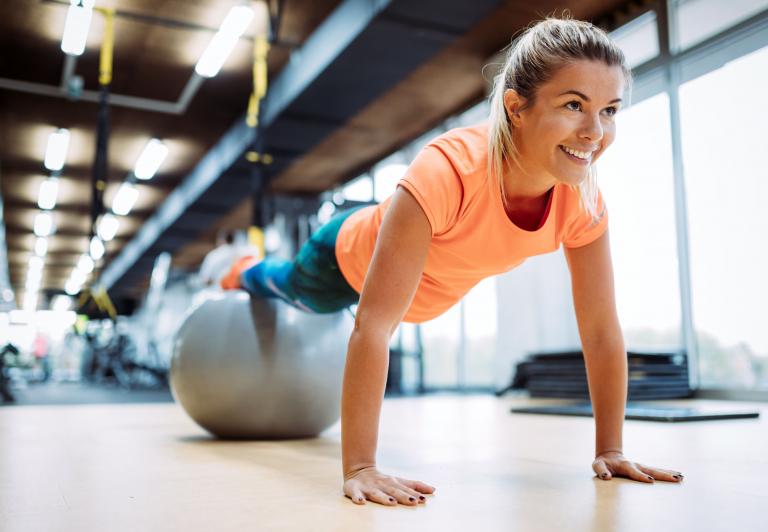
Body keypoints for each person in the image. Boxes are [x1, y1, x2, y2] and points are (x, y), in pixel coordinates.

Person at [221, 16, 684, 507]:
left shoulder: (582, 203)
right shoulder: (449, 171)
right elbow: (374, 326)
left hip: (416, 282)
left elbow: (600, 329)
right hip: (342, 261)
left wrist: (610, 448)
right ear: (516, 108)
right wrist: (361, 466)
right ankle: (241, 269)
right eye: (574, 105)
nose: (595, 132)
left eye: (610, 110)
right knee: (285, 286)